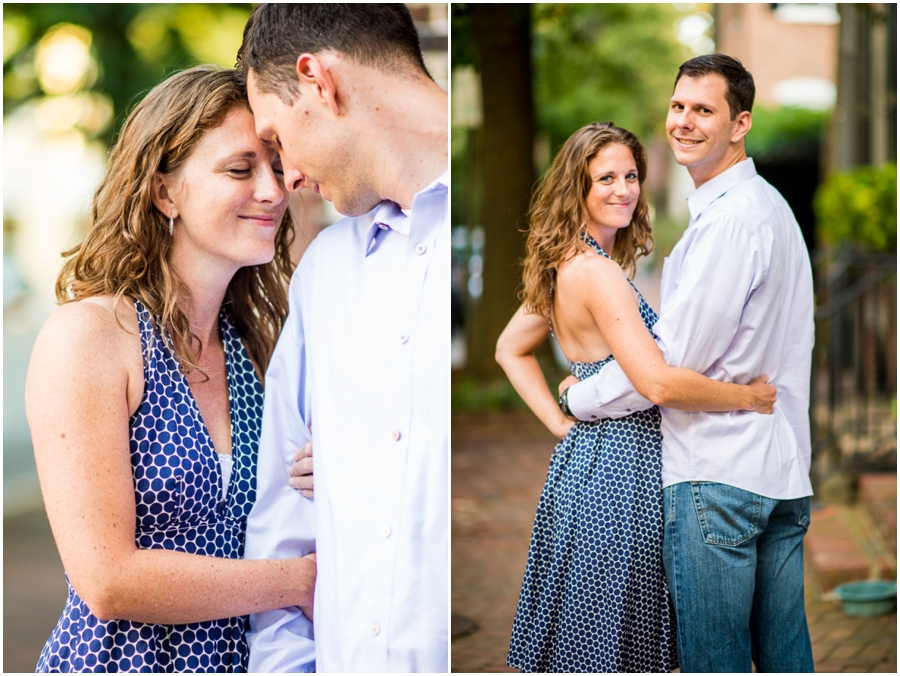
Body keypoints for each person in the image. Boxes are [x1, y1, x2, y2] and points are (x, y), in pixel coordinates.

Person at [27, 66, 316, 673]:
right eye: (240, 169)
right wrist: (301, 581)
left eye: (275, 165)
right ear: (165, 192)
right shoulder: (93, 336)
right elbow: (108, 579)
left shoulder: (259, 343)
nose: (272, 189)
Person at [495, 121, 780, 673]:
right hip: (625, 478)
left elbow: (510, 349)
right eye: (605, 177)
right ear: (575, 188)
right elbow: (657, 383)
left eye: (631, 175)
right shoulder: (598, 276)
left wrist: (562, 426)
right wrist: (747, 397)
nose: (624, 189)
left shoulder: (564, 264)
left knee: (596, 644)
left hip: (584, 467)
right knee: (618, 646)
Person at [563, 55, 815, 672]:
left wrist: (579, 396)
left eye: (704, 110)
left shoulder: (729, 223)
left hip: (717, 478)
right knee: (785, 659)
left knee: (714, 663)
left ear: (740, 124)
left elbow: (665, 370)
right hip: (781, 470)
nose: (684, 121)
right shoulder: (771, 207)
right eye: (679, 106)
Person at [236, 4, 448, 672]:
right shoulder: (324, 275)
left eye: (276, 140)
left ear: (318, 82)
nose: (286, 178)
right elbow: (281, 530)